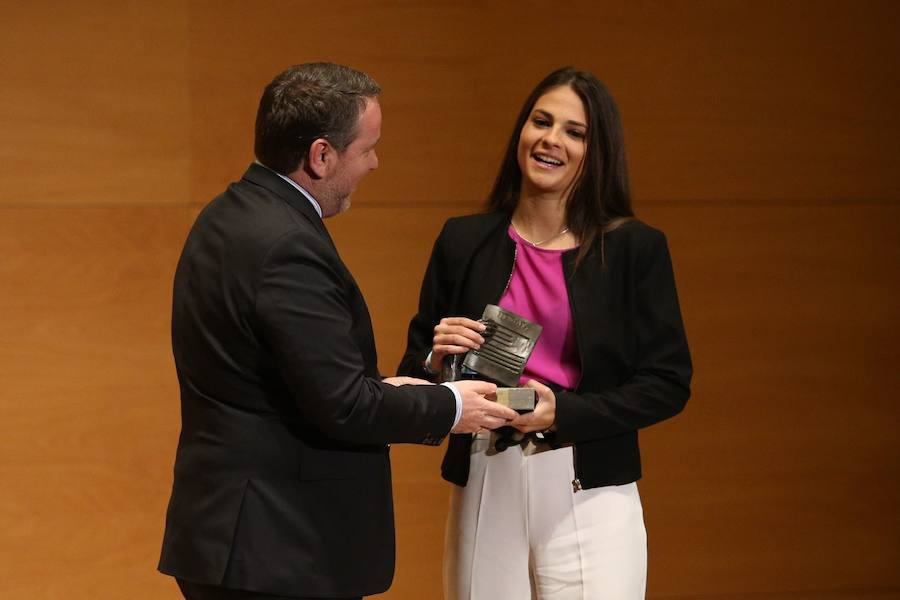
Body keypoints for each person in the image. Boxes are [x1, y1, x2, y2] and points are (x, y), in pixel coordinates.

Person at [158, 63, 517, 600]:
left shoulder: (226, 215)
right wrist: (453, 406)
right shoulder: (286, 246)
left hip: (236, 542)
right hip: (280, 550)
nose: (375, 163)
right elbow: (345, 407)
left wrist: (387, 388)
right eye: (367, 148)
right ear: (321, 156)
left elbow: (286, 381)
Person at [398, 67, 692, 599]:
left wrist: (562, 413)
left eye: (574, 132)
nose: (551, 140)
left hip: (590, 483)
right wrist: (437, 363)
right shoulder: (463, 240)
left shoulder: (634, 250)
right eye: (541, 121)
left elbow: (668, 383)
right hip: (486, 473)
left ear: (596, 151)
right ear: (522, 131)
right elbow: (414, 369)